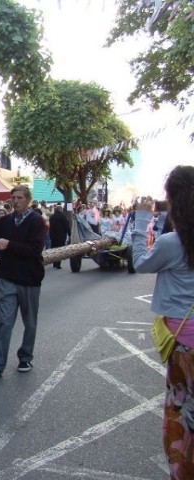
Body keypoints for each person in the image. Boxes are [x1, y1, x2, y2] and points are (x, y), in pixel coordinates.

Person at [131, 166, 194, 479]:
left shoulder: (173, 242)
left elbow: (140, 261)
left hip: (184, 342)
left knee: (181, 411)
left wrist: (142, 219)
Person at [0, 185, 46, 377]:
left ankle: (25, 357)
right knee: (5, 322)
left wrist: (9, 245)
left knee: (30, 322)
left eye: (19, 198)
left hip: (30, 279)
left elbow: (35, 250)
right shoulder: (6, 221)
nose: (15, 201)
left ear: (28, 200)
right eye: (13, 197)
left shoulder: (37, 222)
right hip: (8, 277)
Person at [48, 205, 71, 269]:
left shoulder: (52, 217)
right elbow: (67, 226)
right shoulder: (63, 216)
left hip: (53, 235)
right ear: (60, 210)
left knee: (54, 249)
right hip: (61, 235)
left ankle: (54, 263)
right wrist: (69, 234)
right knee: (60, 249)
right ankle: (58, 264)